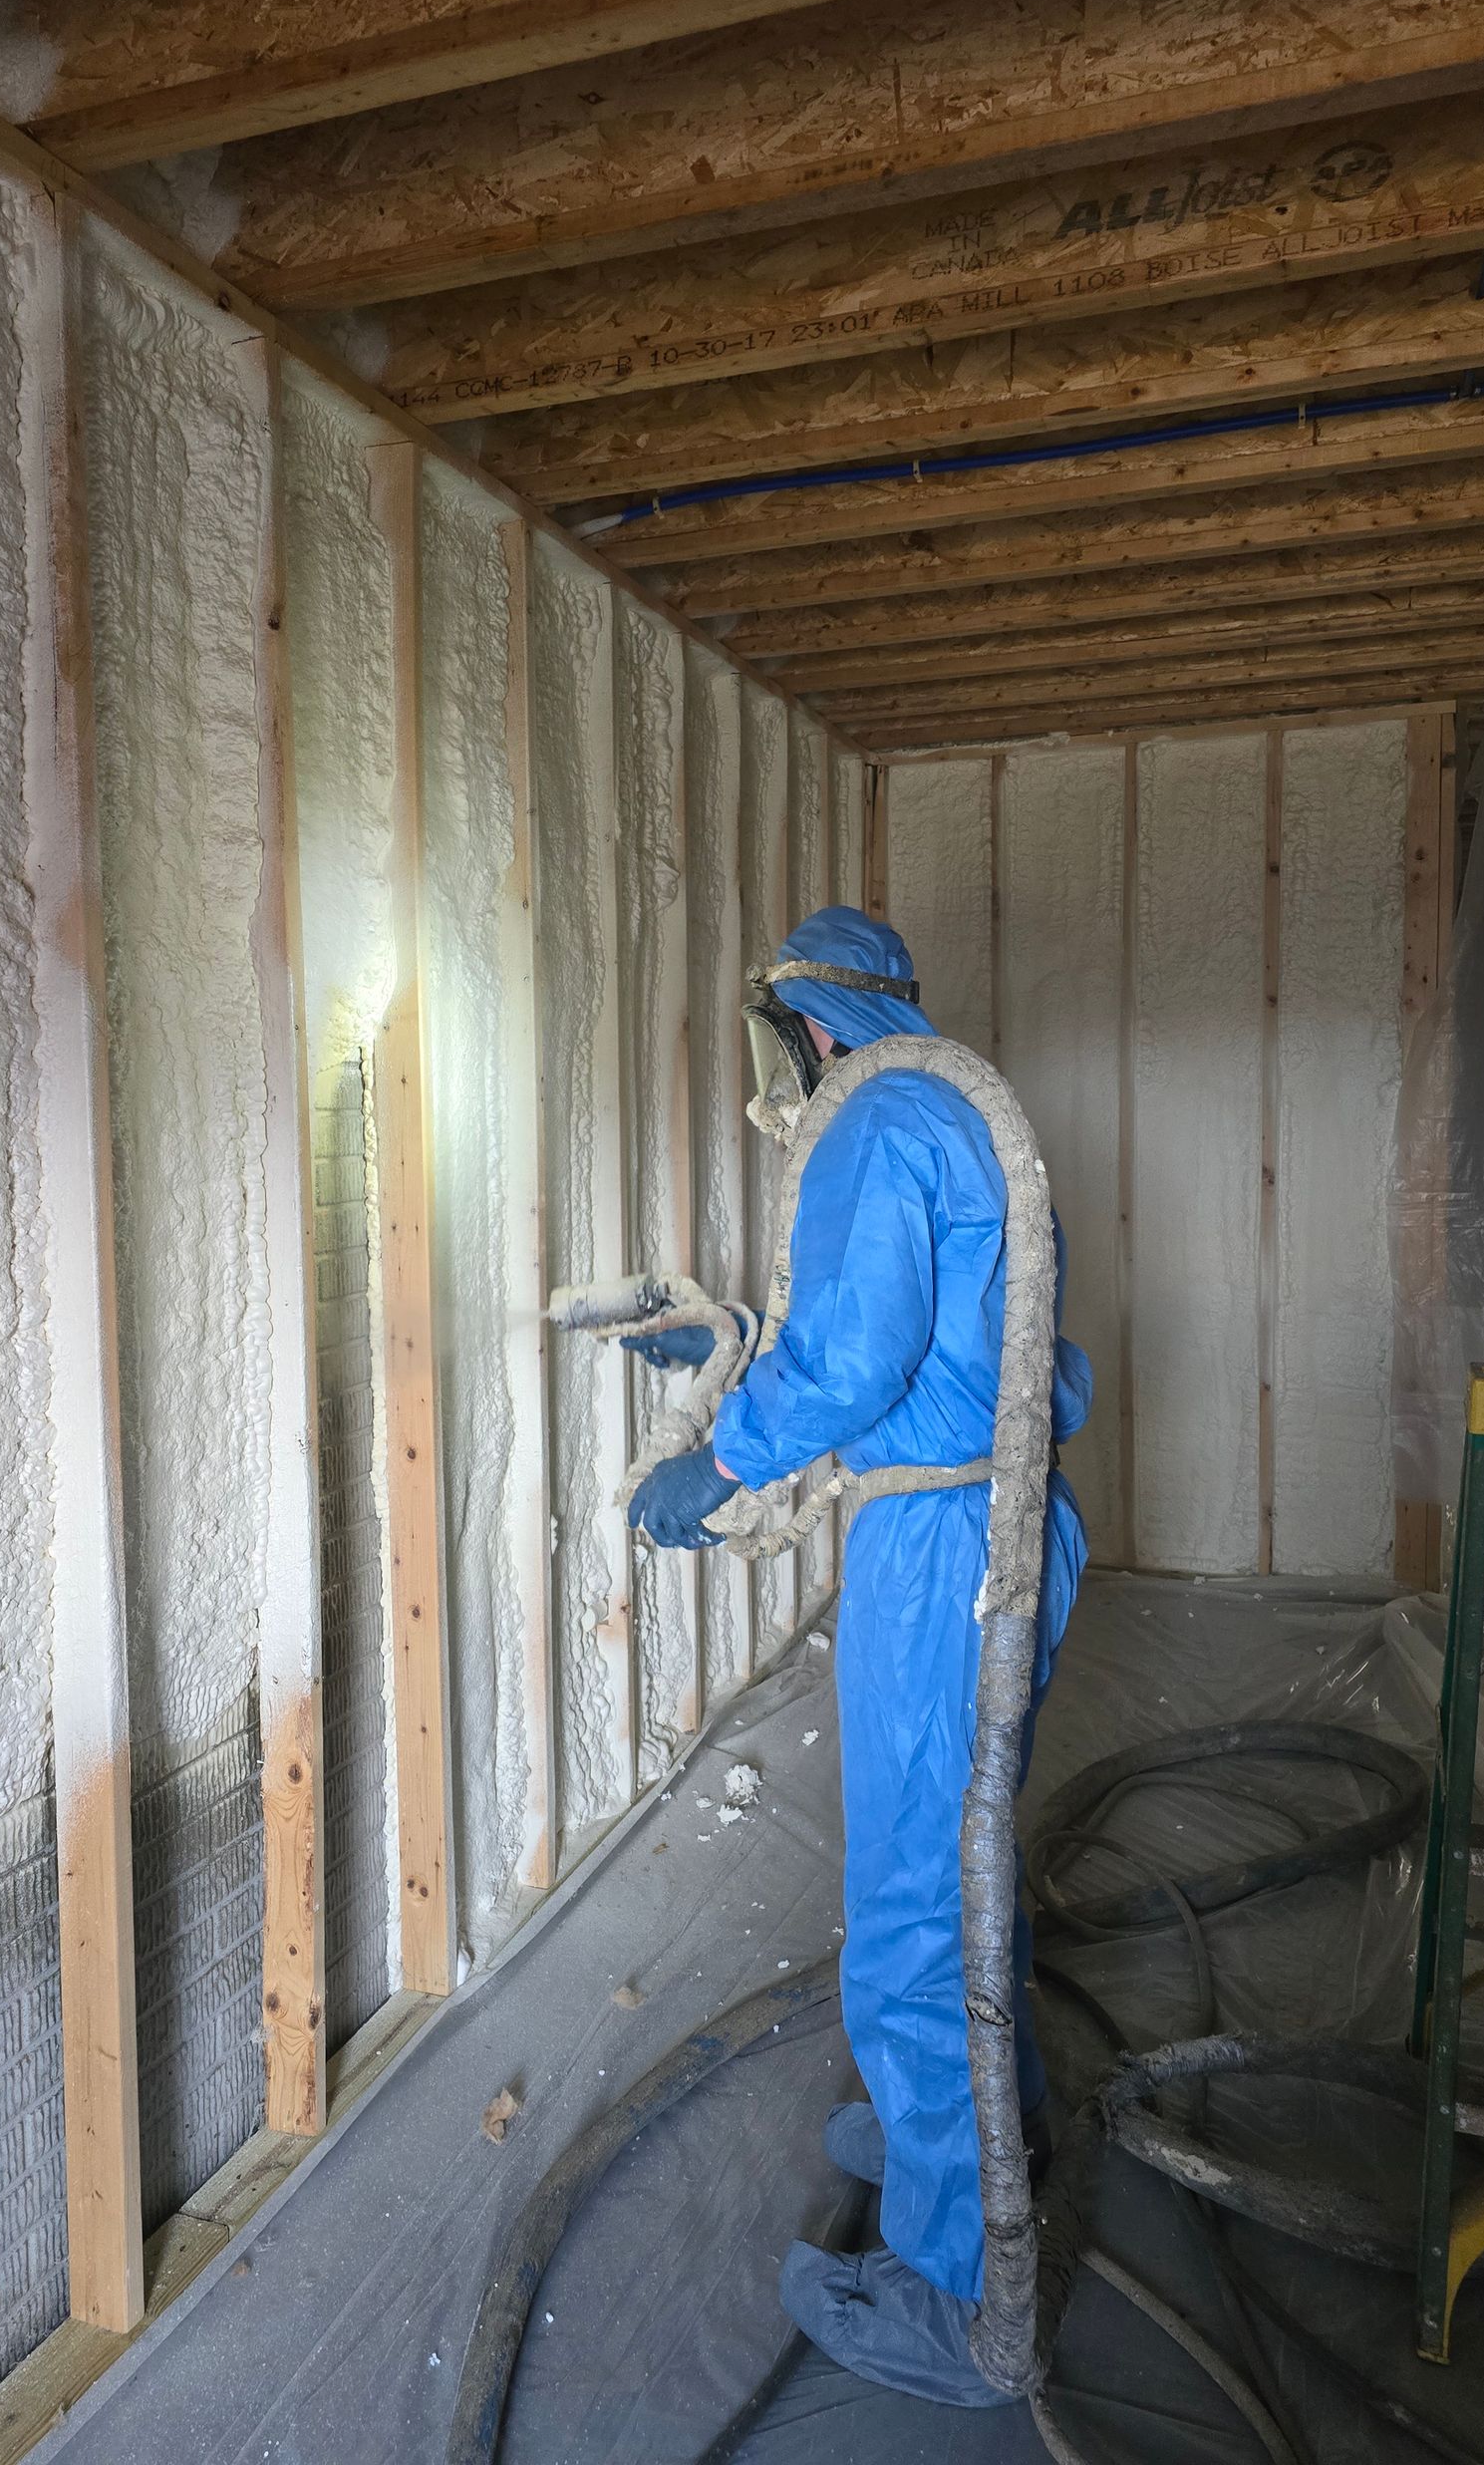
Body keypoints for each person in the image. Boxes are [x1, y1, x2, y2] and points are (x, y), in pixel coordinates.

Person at [624, 905, 1091, 2407]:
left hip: (942, 1556)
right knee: (963, 1852)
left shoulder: (876, 1119)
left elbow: (862, 1358)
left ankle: (964, 2296)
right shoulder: (955, 1109)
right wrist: (741, 1339)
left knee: (909, 1906)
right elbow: (959, 1345)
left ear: (812, 1027)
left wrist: (721, 1461)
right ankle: (964, 2120)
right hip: (1004, 1519)